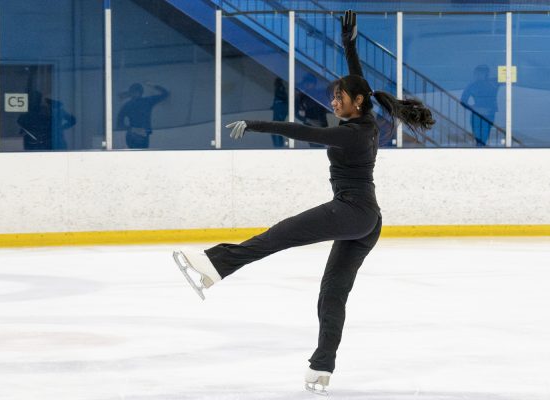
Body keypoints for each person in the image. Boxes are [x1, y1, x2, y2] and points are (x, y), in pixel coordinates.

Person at [172, 10, 434, 395]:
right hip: (366, 220)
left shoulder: (354, 135)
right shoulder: (365, 120)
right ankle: (322, 367)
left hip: (352, 212)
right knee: (332, 291)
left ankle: (214, 265)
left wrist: (258, 124)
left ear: (357, 102)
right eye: (333, 95)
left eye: (339, 97)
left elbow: (302, 131)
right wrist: (349, 46)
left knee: (281, 234)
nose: (333, 100)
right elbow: (357, 80)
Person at [116, 82, 169, 149]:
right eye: (133, 92)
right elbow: (119, 124)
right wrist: (133, 129)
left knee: (141, 156)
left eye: (136, 91)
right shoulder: (129, 105)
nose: (135, 94)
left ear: (140, 92)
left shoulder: (147, 101)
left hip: (140, 135)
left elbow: (165, 94)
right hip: (134, 136)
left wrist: (152, 85)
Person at [460, 65, 499, 147]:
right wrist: (475, 108)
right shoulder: (472, 85)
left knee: (484, 137)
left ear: (486, 73)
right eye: (477, 73)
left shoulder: (493, 82)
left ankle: (481, 149)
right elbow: (463, 101)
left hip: (489, 113)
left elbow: (509, 78)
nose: (478, 75)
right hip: (476, 114)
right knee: (478, 138)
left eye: (481, 73)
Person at [296, 73, 329, 148]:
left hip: (320, 126)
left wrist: (323, 126)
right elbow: (296, 113)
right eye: (306, 82)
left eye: (310, 82)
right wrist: (307, 120)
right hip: (308, 126)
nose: (308, 84)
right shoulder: (302, 96)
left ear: (314, 83)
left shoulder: (319, 95)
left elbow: (323, 111)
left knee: (319, 147)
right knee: (312, 147)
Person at [270, 77, 288, 148]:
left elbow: (282, 100)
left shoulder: (280, 89)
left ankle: (279, 145)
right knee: (275, 131)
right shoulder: (278, 89)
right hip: (278, 113)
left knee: (277, 131)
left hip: (279, 114)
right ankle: (278, 145)